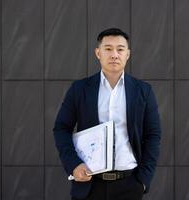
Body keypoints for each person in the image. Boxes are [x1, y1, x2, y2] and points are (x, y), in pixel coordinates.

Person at [53, 28, 161, 200]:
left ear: (128, 54)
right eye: (108, 49)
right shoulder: (80, 89)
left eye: (120, 49)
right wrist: (74, 165)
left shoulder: (143, 91)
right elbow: (61, 128)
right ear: (98, 53)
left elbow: (153, 135)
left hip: (129, 185)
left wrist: (143, 180)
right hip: (89, 185)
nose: (114, 55)